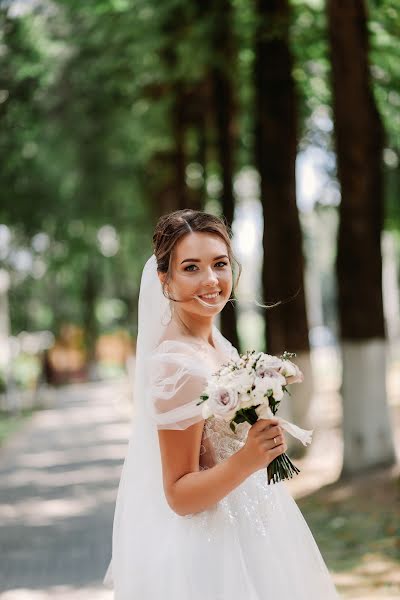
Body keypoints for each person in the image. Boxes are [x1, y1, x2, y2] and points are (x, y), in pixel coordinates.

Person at [104, 209, 340, 599]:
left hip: (259, 523)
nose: (211, 280)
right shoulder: (174, 366)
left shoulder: (218, 345)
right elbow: (179, 495)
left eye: (220, 264)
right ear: (165, 279)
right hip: (215, 547)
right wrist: (248, 458)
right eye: (192, 267)